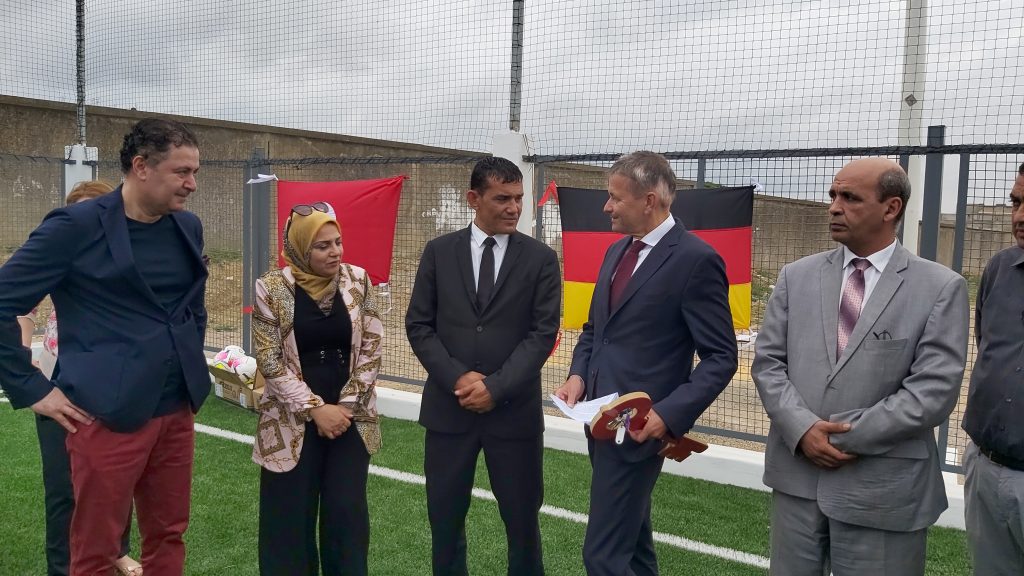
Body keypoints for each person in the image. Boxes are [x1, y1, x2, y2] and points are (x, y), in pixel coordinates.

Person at [0, 117, 209, 575]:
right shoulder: (74, 227)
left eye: (194, 172)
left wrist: (190, 356)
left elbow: (191, 305)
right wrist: (31, 387)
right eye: (181, 172)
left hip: (176, 407)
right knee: (95, 549)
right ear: (141, 167)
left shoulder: (187, 227)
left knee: (168, 534)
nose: (192, 184)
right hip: (104, 413)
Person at [752, 158, 968, 575]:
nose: (834, 206)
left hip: (883, 489)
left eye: (850, 197)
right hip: (797, 479)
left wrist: (841, 437)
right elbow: (768, 364)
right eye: (833, 195)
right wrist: (803, 430)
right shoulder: (796, 277)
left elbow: (933, 392)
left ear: (891, 208)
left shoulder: (940, 287)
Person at [555, 151, 738, 576]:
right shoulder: (616, 251)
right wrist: (578, 375)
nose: (607, 207)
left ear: (649, 201)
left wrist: (667, 416)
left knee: (602, 556)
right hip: (599, 421)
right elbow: (595, 329)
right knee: (634, 548)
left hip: (639, 430)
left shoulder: (695, 260)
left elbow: (721, 356)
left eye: (615, 198)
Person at [406, 157, 561, 576]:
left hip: (513, 416)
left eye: (519, 198)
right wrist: (458, 377)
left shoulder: (542, 260)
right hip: (448, 411)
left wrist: (496, 387)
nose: (514, 208)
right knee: (445, 521)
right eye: (502, 199)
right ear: (473, 198)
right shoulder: (439, 252)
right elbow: (418, 325)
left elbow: (542, 334)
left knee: (522, 525)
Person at [251, 202, 384, 575]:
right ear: (299, 249)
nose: (335, 252)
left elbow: (372, 347)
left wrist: (345, 408)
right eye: (322, 246)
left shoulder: (358, 280)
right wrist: (315, 409)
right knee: (287, 522)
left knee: (346, 517)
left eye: (338, 242)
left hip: (349, 420)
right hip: (289, 421)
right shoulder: (271, 287)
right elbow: (269, 360)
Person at [31, 180, 143, 576]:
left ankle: (116, 551)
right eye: (78, 212)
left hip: (116, 384)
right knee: (63, 489)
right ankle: (62, 568)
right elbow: (20, 306)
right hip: (59, 382)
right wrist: (27, 361)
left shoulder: (132, 259)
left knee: (116, 480)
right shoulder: (56, 252)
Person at [961, 161, 1024, 575]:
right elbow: (989, 349)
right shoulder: (999, 269)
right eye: (1016, 202)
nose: (1019, 216)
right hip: (986, 468)